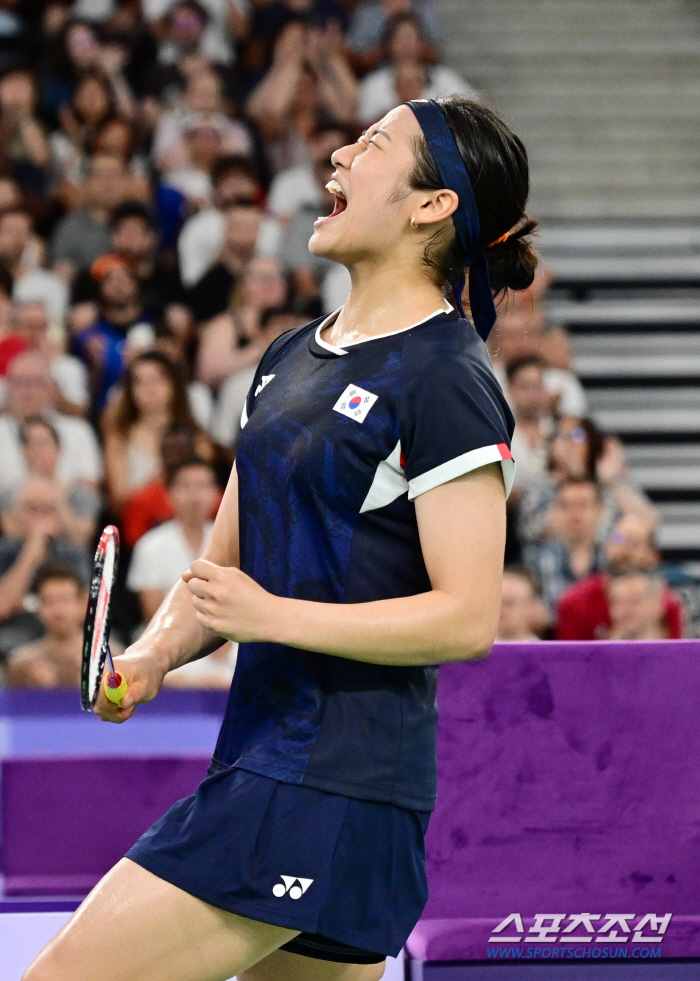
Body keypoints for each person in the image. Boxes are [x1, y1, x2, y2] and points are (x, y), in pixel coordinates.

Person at [24, 96, 537, 981]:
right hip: (274, 762)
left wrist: (272, 614)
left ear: (431, 205)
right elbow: (224, 574)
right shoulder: (289, 355)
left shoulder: (448, 378)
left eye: (373, 144)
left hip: (331, 777)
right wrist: (149, 659)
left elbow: (465, 618)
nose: (337, 153)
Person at [103, 350, 204, 513]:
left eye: (157, 379)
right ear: (130, 390)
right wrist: (155, 484)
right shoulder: (119, 439)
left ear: (173, 383)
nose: (150, 388)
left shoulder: (197, 437)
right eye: (140, 381)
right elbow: (118, 502)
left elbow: (210, 490)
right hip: (140, 526)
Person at [0, 476, 89, 661]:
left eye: (49, 509)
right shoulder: (4, 552)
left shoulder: (73, 554)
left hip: (67, 634)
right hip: (16, 635)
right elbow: (2, 606)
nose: (41, 516)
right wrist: (30, 556)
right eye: (33, 508)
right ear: (16, 514)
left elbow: (88, 609)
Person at [555, 514, 683, 641]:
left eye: (635, 543)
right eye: (618, 539)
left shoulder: (668, 604)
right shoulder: (575, 601)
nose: (624, 549)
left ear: (653, 555)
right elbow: (566, 657)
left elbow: (673, 656)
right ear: (606, 547)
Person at [127, 457, 218, 623]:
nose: (194, 495)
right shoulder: (150, 545)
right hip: (166, 633)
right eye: (185, 486)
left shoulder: (232, 541)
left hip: (224, 636)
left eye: (202, 485)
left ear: (216, 493)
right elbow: (152, 611)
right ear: (169, 494)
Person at [0, 351, 102, 499]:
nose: (26, 392)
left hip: (68, 517)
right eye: (19, 382)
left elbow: (89, 492)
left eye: (35, 383)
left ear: (51, 389)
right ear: (7, 387)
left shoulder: (79, 431)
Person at [358, 14, 477, 126]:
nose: (406, 45)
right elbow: (361, 121)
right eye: (400, 39)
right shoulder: (375, 83)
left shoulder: (443, 78)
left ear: (422, 43)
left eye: (411, 38)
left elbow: (473, 108)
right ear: (389, 44)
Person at [525, 477, 606, 620]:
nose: (575, 514)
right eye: (566, 506)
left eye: (583, 505)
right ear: (555, 511)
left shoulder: (613, 558)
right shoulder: (533, 559)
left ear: (600, 510)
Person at [5, 564, 88, 687]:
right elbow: (13, 705)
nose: (58, 610)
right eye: (49, 601)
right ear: (39, 609)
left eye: (66, 600)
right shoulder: (20, 664)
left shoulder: (110, 658)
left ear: (82, 604)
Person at [506, 356, 554, 494]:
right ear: (510, 390)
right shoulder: (498, 435)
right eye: (524, 387)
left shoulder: (559, 429)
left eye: (537, 386)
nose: (532, 395)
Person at [606, 571, 669, 641]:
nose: (626, 609)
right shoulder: (600, 651)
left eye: (635, 601)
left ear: (657, 605)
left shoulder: (677, 650)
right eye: (617, 602)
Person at [495, 566, 542, 642]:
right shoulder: (477, 651)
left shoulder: (543, 652)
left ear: (530, 607)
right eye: (497, 603)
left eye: (509, 603)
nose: (501, 609)